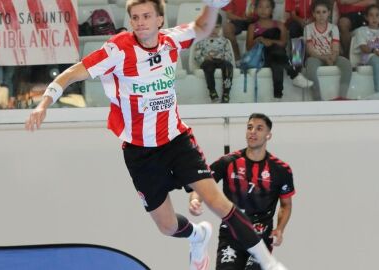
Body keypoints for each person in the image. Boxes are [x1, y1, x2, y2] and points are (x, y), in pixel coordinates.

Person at [25, 1, 287, 269]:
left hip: (176, 141)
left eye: (147, 16)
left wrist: (211, 6)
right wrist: (45, 102)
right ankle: (197, 235)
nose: (140, 22)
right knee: (167, 226)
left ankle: (268, 261)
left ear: (160, 19)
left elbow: (201, 28)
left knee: (216, 201)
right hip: (139, 152)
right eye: (135, 17)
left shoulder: (169, 41)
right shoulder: (117, 50)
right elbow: (71, 74)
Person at [189, 113, 295, 270]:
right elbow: (202, 182)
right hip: (231, 235)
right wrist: (195, 200)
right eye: (250, 127)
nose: (253, 132)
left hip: (261, 238)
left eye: (259, 128)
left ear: (268, 135)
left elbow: (286, 205)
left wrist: (280, 229)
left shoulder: (281, 170)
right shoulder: (228, 162)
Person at [246, 0, 313, 100]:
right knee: (277, 52)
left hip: (275, 56)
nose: (263, 10)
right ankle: (294, 75)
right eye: (260, 7)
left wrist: (269, 41)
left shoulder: (280, 25)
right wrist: (259, 40)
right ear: (255, 9)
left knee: (276, 58)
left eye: (267, 7)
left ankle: (277, 96)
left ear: (272, 9)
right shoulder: (252, 27)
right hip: (261, 58)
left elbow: (283, 44)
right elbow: (248, 47)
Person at [304, 0, 352, 101]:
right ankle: (317, 98)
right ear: (313, 14)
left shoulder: (334, 28)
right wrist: (325, 58)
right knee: (310, 68)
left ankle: (342, 96)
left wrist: (333, 57)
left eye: (324, 12)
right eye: (318, 12)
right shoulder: (308, 28)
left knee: (347, 64)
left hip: (331, 56)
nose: (321, 15)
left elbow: (335, 48)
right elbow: (310, 51)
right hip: (316, 57)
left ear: (329, 13)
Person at [194, 14, 234, 103]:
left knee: (228, 66)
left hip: (221, 61)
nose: (213, 30)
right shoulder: (201, 41)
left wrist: (223, 57)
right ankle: (212, 91)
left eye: (216, 27)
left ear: (220, 28)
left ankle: (226, 92)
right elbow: (197, 57)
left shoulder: (224, 41)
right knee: (208, 67)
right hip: (208, 61)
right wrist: (205, 58)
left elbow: (229, 56)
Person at [353, 4, 379, 99]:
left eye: (377, 15)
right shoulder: (361, 31)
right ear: (366, 17)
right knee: (377, 60)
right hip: (369, 57)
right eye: (371, 15)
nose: (374, 18)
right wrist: (374, 50)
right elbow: (363, 47)